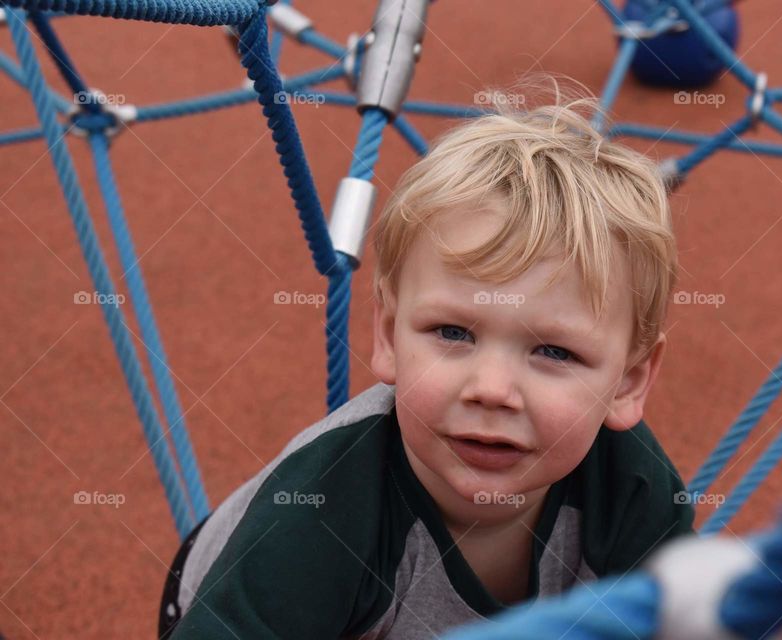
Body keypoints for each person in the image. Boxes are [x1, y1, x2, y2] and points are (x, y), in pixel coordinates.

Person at [163, 76, 695, 639]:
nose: (491, 388)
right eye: (453, 333)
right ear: (390, 335)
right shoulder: (322, 512)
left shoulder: (634, 491)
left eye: (554, 351)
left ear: (628, 382)